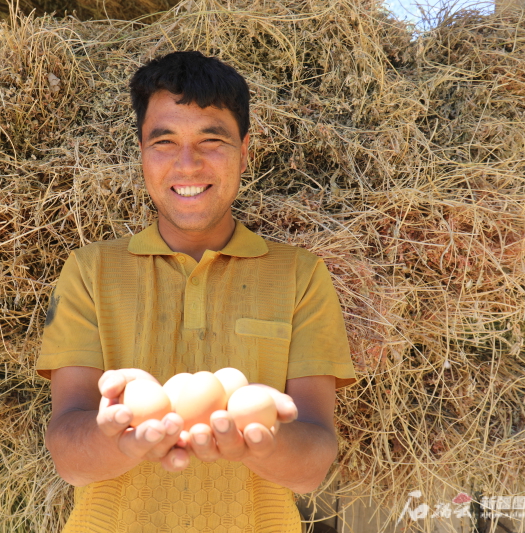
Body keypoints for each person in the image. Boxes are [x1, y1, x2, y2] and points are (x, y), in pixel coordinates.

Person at [37, 50, 356, 533]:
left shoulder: (301, 276)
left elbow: (312, 465)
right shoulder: (89, 271)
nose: (187, 165)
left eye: (212, 140)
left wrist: (260, 441)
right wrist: (117, 439)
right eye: (164, 142)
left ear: (245, 151)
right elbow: (70, 457)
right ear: (141, 153)